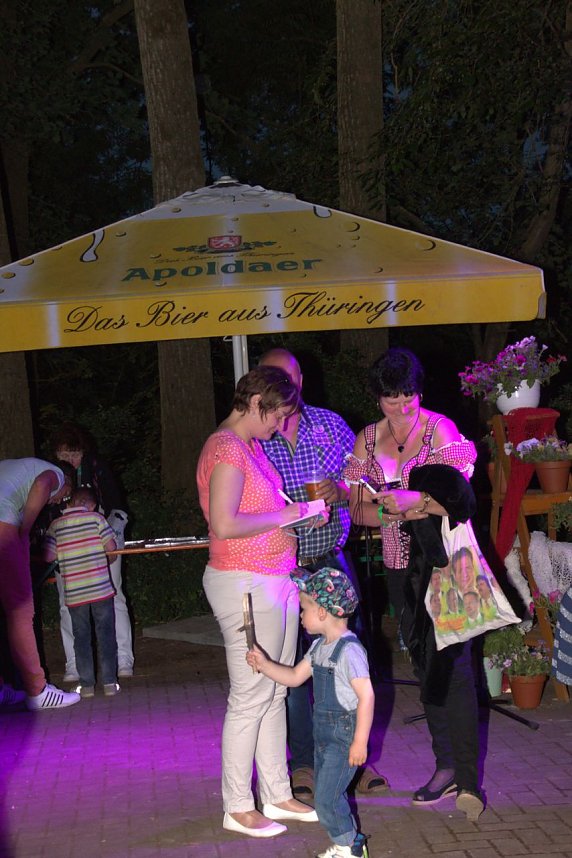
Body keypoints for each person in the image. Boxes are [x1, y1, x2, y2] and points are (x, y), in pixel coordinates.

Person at [344, 347, 483, 821]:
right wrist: (386, 510)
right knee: (425, 665)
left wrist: (417, 501)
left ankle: (468, 778)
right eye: (391, 400)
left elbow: (458, 502)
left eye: (409, 397)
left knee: (456, 665)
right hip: (401, 565)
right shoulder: (366, 440)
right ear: (377, 397)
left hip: (446, 564)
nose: (402, 408)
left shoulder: (439, 430)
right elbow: (355, 509)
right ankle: (444, 765)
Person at [196, 365, 327, 838]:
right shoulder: (227, 448)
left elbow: (257, 515)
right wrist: (287, 513)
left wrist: (296, 519)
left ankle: (275, 792)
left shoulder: (247, 447)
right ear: (256, 404)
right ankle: (236, 805)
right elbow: (225, 524)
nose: (279, 426)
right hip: (245, 582)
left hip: (271, 579)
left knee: (274, 689)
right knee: (251, 696)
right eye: (277, 416)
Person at [259, 347, 388, 798]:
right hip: (282, 569)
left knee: (347, 665)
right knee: (295, 671)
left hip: (331, 561)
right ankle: (307, 764)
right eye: (271, 376)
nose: (282, 385)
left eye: (287, 376)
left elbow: (366, 486)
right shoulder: (254, 436)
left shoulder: (331, 426)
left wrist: (339, 490)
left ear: (300, 380)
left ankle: (355, 756)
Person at [247, 566, 373, 858]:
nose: (300, 615)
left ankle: (349, 848)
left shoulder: (350, 651)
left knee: (327, 798)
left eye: (304, 607)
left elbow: (366, 697)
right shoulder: (319, 647)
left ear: (323, 612)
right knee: (328, 795)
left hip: (344, 737)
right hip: (325, 736)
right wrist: (265, 664)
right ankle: (350, 842)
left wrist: (360, 742)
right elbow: (294, 677)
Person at [51, 422, 134, 680]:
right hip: (67, 546)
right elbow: (47, 515)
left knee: (114, 595)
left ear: (83, 453)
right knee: (67, 602)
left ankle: (123, 659)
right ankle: (74, 664)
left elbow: (117, 507)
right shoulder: (50, 475)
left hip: (100, 542)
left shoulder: (97, 468)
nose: (71, 461)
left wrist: (113, 537)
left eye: (74, 455)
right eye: (65, 456)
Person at [0, 458, 80, 710]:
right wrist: (24, 531)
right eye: (65, 496)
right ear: (66, 483)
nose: (58, 501)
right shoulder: (55, 473)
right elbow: (43, 484)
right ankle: (37, 691)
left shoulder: (14, 465)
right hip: (3, 525)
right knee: (20, 612)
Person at [43, 487, 119, 698]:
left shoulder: (56, 525)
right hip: (100, 589)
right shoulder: (96, 519)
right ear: (91, 505)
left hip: (75, 592)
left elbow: (48, 557)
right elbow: (111, 547)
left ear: (71, 503)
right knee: (106, 635)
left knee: (81, 637)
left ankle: (86, 686)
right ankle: (110, 683)